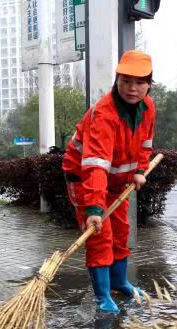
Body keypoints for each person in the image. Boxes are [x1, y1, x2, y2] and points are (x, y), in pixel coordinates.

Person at [62, 50, 155, 313]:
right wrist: (94, 209)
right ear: (117, 80)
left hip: (117, 181)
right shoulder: (104, 114)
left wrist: (140, 169)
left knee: (121, 230)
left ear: (149, 84)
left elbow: (145, 143)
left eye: (139, 82)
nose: (132, 88)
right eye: (126, 81)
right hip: (85, 178)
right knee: (100, 234)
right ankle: (102, 296)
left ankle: (119, 282)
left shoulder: (148, 108)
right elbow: (95, 165)